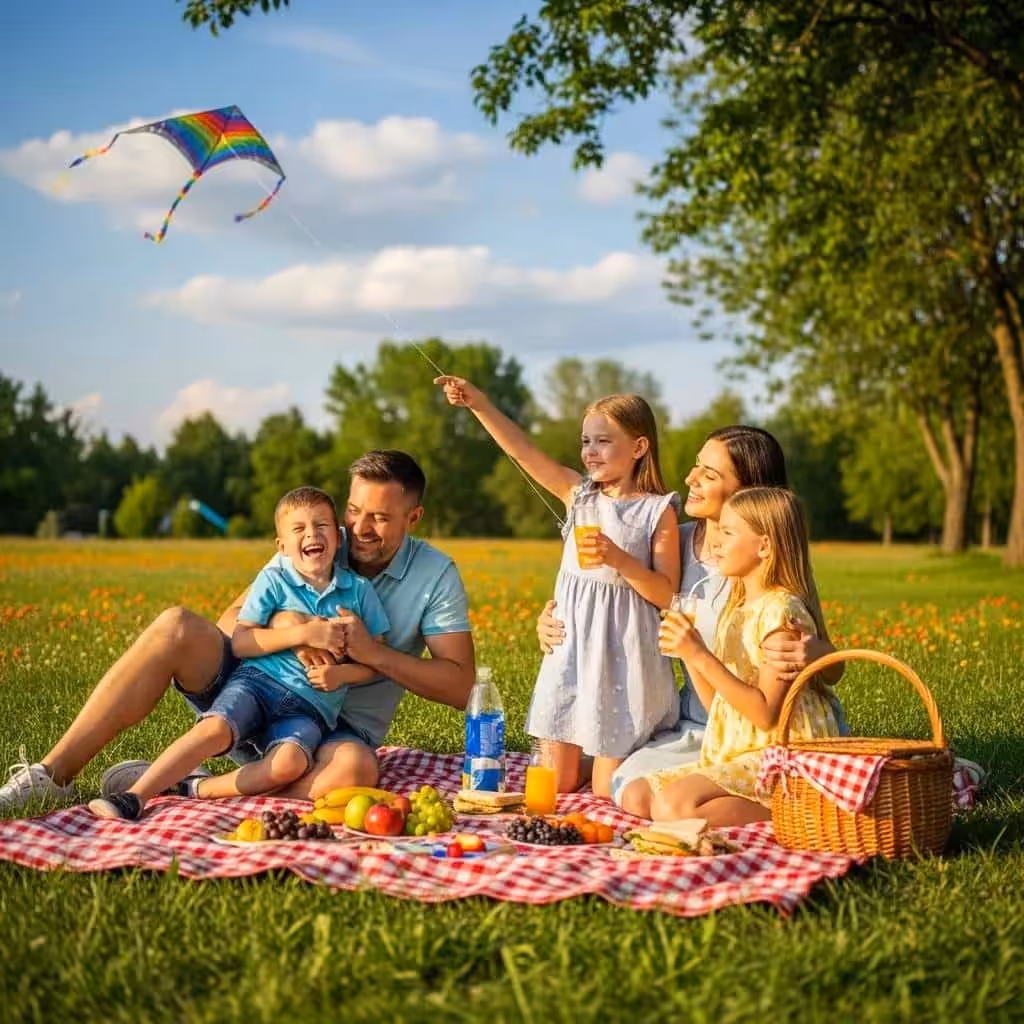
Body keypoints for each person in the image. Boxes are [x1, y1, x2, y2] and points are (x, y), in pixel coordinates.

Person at [0, 451, 475, 812]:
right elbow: (232, 622)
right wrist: (292, 626)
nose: (359, 529)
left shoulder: (435, 575)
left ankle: (191, 786)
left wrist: (372, 653)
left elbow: (460, 686)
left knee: (358, 771)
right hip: (253, 694)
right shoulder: (318, 536)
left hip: (331, 735)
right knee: (175, 626)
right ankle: (51, 773)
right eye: (354, 510)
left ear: (413, 518)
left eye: (380, 517)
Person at [535, 425, 844, 814]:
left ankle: (784, 800)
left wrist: (812, 653)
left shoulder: (764, 569)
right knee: (624, 789)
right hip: (699, 720)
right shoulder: (669, 541)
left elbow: (831, 671)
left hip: (767, 728)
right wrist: (554, 618)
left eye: (710, 474)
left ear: (752, 493)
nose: (690, 479)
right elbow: (606, 593)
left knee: (652, 798)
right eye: (697, 466)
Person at [434, 375, 681, 798]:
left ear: (639, 447)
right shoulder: (578, 496)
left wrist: (618, 559)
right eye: (586, 441)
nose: (590, 452)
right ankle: (593, 753)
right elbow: (523, 452)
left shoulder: (656, 512)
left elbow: (666, 595)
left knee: (608, 791)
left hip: (623, 658)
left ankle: (628, 757)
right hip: (570, 651)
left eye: (603, 441)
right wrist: (480, 405)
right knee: (557, 783)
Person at [87, 486, 391, 821]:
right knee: (214, 730)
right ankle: (134, 797)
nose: (311, 534)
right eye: (299, 529)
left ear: (338, 535)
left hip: (311, 710)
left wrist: (341, 675)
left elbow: (377, 662)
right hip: (258, 683)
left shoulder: (359, 592)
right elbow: (242, 642)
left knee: (289, 764)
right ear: (282, 546)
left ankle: (193, 788)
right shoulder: (274, 580)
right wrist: (302, 633)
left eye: (322, 525)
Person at [641, 486, 845, 827]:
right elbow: (718, 707)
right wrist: (688, 655)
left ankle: (799, 811)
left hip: (782, 756)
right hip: (736, 750)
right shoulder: (736, 610)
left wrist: (701, 655)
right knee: (638, 795)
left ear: (764, 546)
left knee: (671, 809)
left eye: (727, 532)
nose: (715, 542)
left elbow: (765, 715)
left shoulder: (781, 612)